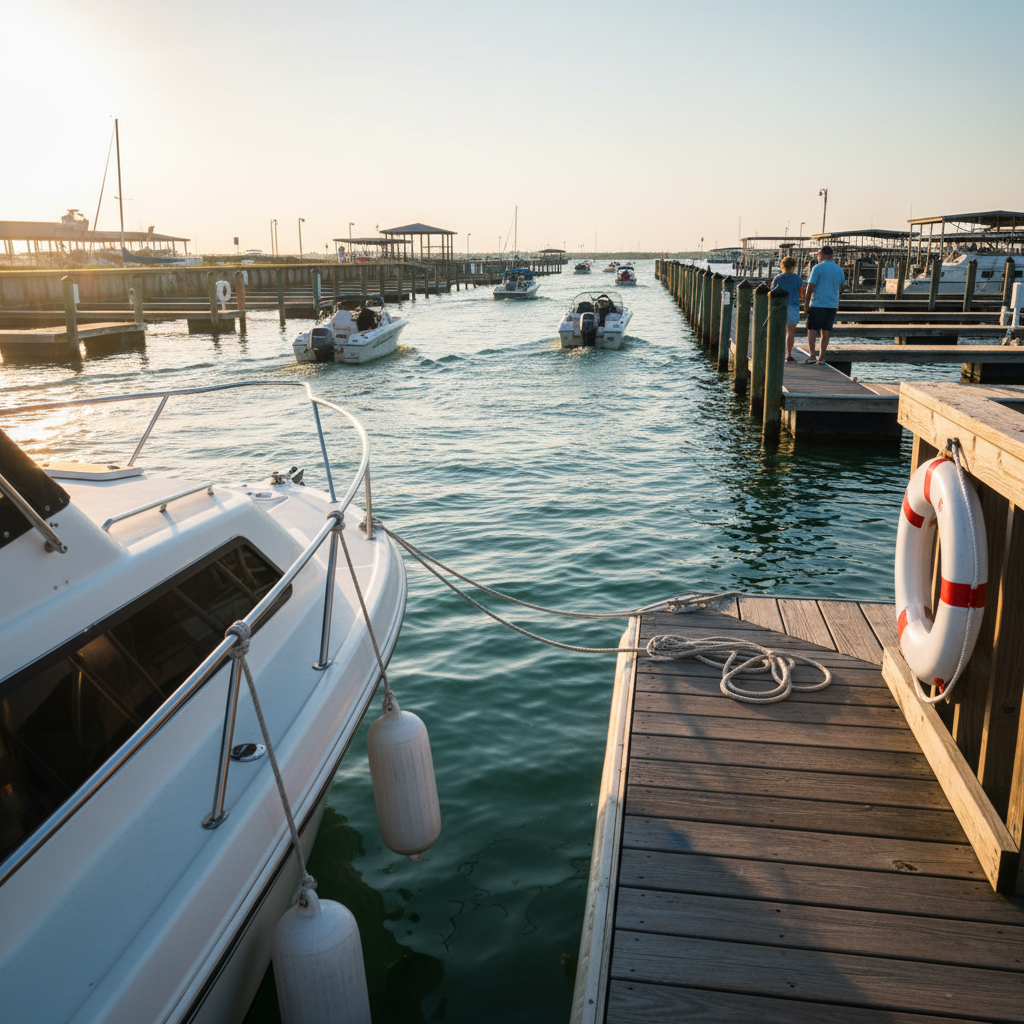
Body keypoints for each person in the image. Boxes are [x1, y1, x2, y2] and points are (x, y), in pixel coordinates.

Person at [804, 245, 845, 363]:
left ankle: (812, 355)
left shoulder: (817, 268)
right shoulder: (839, 269)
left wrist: (806, 304)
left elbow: (810, 286)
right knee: (826, 330)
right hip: (832, 305)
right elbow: (841, 288)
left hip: (818, 303)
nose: (817, 257)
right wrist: (837, 301)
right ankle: (821, 357)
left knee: (812, 328)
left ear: (821, 255)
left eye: (818, 255)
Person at [770, 256, 805, 361]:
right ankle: (788, 355)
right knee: (790, 332)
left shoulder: (778, 278)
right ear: (794, 266)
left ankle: (775, 353)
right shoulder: (798, 278)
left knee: (777, 331)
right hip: (793, 306)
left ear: (782, 266)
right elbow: (801, 294)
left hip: (779, 306)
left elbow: (772, 293)